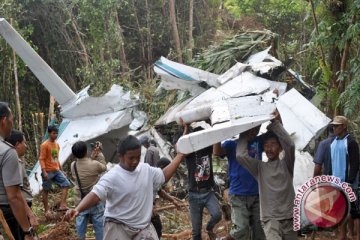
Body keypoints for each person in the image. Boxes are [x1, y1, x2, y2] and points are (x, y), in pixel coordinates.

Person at [64, 135, 185, 239]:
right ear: (120, 156)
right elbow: (95, 194)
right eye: (131, 158)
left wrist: (179, 156)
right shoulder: (112, 176)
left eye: (138, 157)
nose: (135, 161)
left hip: (142, 227)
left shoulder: (146, 170)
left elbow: (163, 175)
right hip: (117, 226)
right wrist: (78, 209)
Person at [236, 110, 297, 240]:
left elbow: (290, 145)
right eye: (266, 145)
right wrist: (245, 134)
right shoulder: (259, 167)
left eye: (273, 144)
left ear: (280, 148)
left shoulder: (287, 164)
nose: (269, 148)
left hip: (290, 216)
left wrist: (275, 122)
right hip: (270, 219)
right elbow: (240, 155)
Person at [213, 126, 265, 240]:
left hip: (257, 194)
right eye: (251, 127)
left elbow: (278, 138)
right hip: (238, 195)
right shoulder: (231, 144)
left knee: (259, 230)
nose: (254, 130)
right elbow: (217, 152)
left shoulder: (259, 141)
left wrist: (276, 119)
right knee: (241, 228)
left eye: (257, 126)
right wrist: (216, 134)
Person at [314, 116, 359, 240]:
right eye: (333, 126)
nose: (334, 128)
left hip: (348, 183)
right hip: (336, 182)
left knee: (354, 210)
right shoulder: (334, 143)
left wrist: (349, 181)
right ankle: (343, 234)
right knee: (341, 210)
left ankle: (356, 235)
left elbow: (355, 163)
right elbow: (333, 163)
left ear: (344, 126)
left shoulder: (350, 142)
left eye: (337, 126)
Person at [180, 120, 222, 240]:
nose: (200, 141)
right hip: (194, 194)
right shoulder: (189, 153)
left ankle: (209, 228)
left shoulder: (208, 149)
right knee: (196, 232)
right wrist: (186, 129)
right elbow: (181, 147)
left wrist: (212, 124)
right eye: (197, 138)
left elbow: (216, 144)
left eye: (202, 138)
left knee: (217, 215)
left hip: (208, 192)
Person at [0, 102, 35, 239]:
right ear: (4, 120)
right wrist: (27, 231)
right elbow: (14, 197)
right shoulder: (7, 152)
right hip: (6, 214)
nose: (12, 124)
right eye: (11, 120)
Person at [5, 130, 39, 239]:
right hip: (21, 209)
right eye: (24, 142)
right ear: (17, 145)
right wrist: (30, 215)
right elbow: (17, 193)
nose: (26, 145)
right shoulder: (15, 163)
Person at [70, 141, 107, 240]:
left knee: (80, 224)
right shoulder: (95, 164)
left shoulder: (73, 165)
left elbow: (85, 165)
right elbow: (103, 167)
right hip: (94, 200)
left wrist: (92, 156)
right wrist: (99, 154)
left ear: (74, 154)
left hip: (80, 201)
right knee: (99, 226)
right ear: (86, 151)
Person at [39, 125, 71, 216]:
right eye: (54, 133)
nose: (55, 135)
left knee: (66, 184)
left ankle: (62, 205)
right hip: (48, 171)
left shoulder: (56, 144)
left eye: (56, 133)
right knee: (46, 190)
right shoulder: (44, 145)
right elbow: (41, 159)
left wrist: (61, 169)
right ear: (49, 133)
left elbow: (55, 158)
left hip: (56, 171)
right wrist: (44, 171)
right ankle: (46, 211)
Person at [151, 157, 182, 238]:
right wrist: (152, 206)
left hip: (150, 211)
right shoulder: (152, 176)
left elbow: (159, 191)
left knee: (157, 228)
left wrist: (172, 200)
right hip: (144, 213)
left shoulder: (156, 177)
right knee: (156, 228)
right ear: (162, 167)